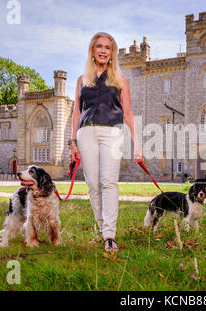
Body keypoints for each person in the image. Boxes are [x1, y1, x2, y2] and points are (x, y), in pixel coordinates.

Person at [69, 32, 142, 252]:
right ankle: (102, 232)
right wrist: (73, 142)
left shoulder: (120, 81)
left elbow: (128, 113)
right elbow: (76, 113)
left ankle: (110, 235)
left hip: (112, 133)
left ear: (112, 53)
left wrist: (137, 143)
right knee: (92, 185)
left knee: (108, 182)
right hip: (86, 134)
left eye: (107, 47)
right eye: (99, 46)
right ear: (92, 50)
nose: (103, 50)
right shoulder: (82, 80)